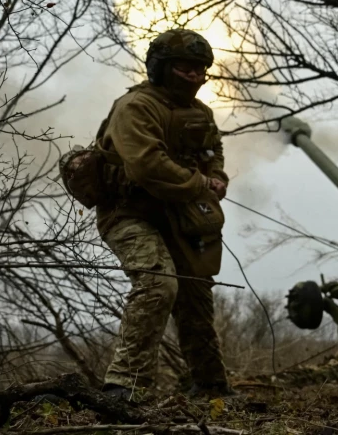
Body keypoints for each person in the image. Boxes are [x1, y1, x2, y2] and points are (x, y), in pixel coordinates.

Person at [95, 29, 235, 400]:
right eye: (184, 68)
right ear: (162, 68)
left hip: (180, 215)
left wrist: (217, 176)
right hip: (129, 214)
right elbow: (147, 166)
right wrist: (201, 183)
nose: (193, 76)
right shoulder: (136, 107)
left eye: (199, 70)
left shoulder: (200, 112)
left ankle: (210, 386)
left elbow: (213, 150)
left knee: (196, 292)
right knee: (158, 284)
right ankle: (124, 388)